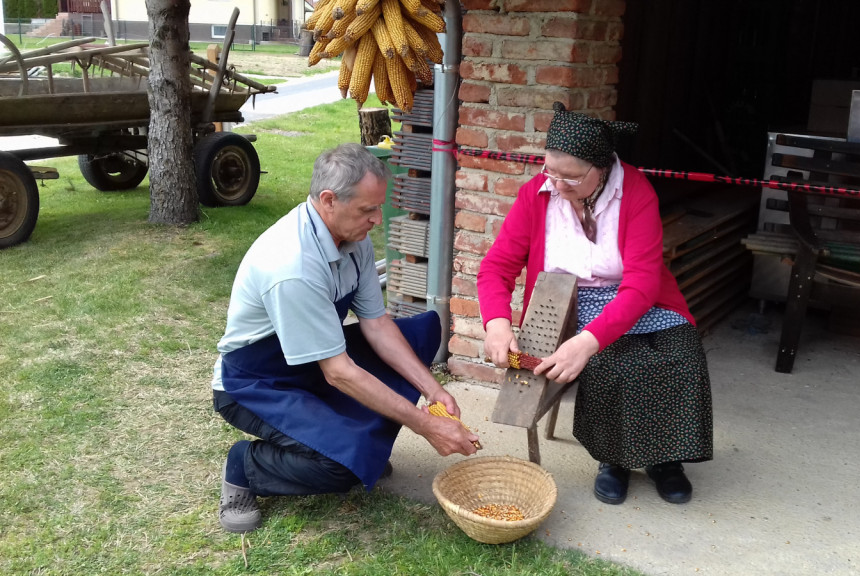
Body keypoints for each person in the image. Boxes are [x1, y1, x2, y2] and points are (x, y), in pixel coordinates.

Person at [211, 143, 479, 533]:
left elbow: (376, 324)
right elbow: (339, 372)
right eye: (367, 211)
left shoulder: (353, 239)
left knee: (419, 332)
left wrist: (432, 389)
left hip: (312, 362)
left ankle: (355, 442)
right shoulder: (292, 265)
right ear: (328, 200)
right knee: (341, 466)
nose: (378, 221)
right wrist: (427, 425)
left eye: (378, 208)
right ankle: (245, 466)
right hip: (255, 380)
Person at [478, 103, 713, 505]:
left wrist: (588, 340)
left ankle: (666, 460)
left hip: (636, 294)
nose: (556, 183)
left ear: (602, 169)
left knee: (682, 354)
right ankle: (614, 459)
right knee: (613, 362)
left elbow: (642, 283)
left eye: (570, 177)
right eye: (550, 171)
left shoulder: (635, 191)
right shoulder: (537, 194)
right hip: (569, 298)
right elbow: (496, 267)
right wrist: (496, 321)